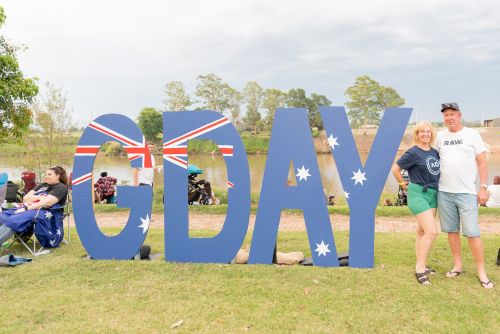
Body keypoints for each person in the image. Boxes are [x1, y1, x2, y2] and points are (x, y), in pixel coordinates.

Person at [436, 102, 493, 289]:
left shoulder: (472, 134)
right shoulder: (440, 137)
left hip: (467, 192)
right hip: (444, 192)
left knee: (472, 233)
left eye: (452, 114)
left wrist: (483, 187)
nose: (449, 118)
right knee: (452, 231)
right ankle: (458, 266)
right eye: (446, 115)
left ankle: (482, 273)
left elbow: (482, 163)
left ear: (459, 115)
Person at [392, 121, 440, 285]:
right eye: (422, 132)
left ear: (431, 134)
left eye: (428, 131)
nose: (425, 134)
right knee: (432, 232)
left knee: (422, 232)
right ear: (417, 134)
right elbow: (395, 169)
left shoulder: (434, 152)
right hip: (418, 193)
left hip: (433, 194)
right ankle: (420, 269)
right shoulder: (413, 152)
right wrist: (402, 185)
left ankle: (423, 264)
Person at [0, 166, 68, 247]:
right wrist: (40, 198)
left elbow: (48, 203)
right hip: (30, 207)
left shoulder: (61, 187)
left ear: (58, 176)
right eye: (46, 174)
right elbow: (25, 198)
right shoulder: (42, 185)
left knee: (15, 219)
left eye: (50, 174)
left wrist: (26, 208)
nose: (46, 176)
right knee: (3, 214)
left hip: (45, 212)